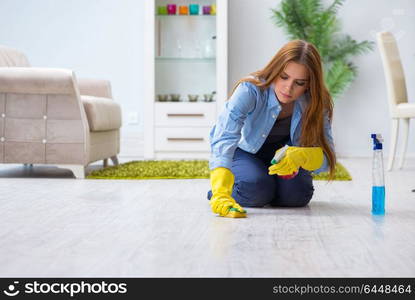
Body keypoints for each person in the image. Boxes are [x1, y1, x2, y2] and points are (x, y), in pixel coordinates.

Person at [207, 40, 336, 218]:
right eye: (284, 77)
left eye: (299, 82)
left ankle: (264, 187)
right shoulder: (250, 90)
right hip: (246, 152)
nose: (288, 88)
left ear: (309, 84)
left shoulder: (316, 102)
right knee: (255, 188)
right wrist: (221, 190)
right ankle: (232, 189)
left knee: (298, 196)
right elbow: (224, 137)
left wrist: (303, 156)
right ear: (275, 71)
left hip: (286, 159)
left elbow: (327, 159)